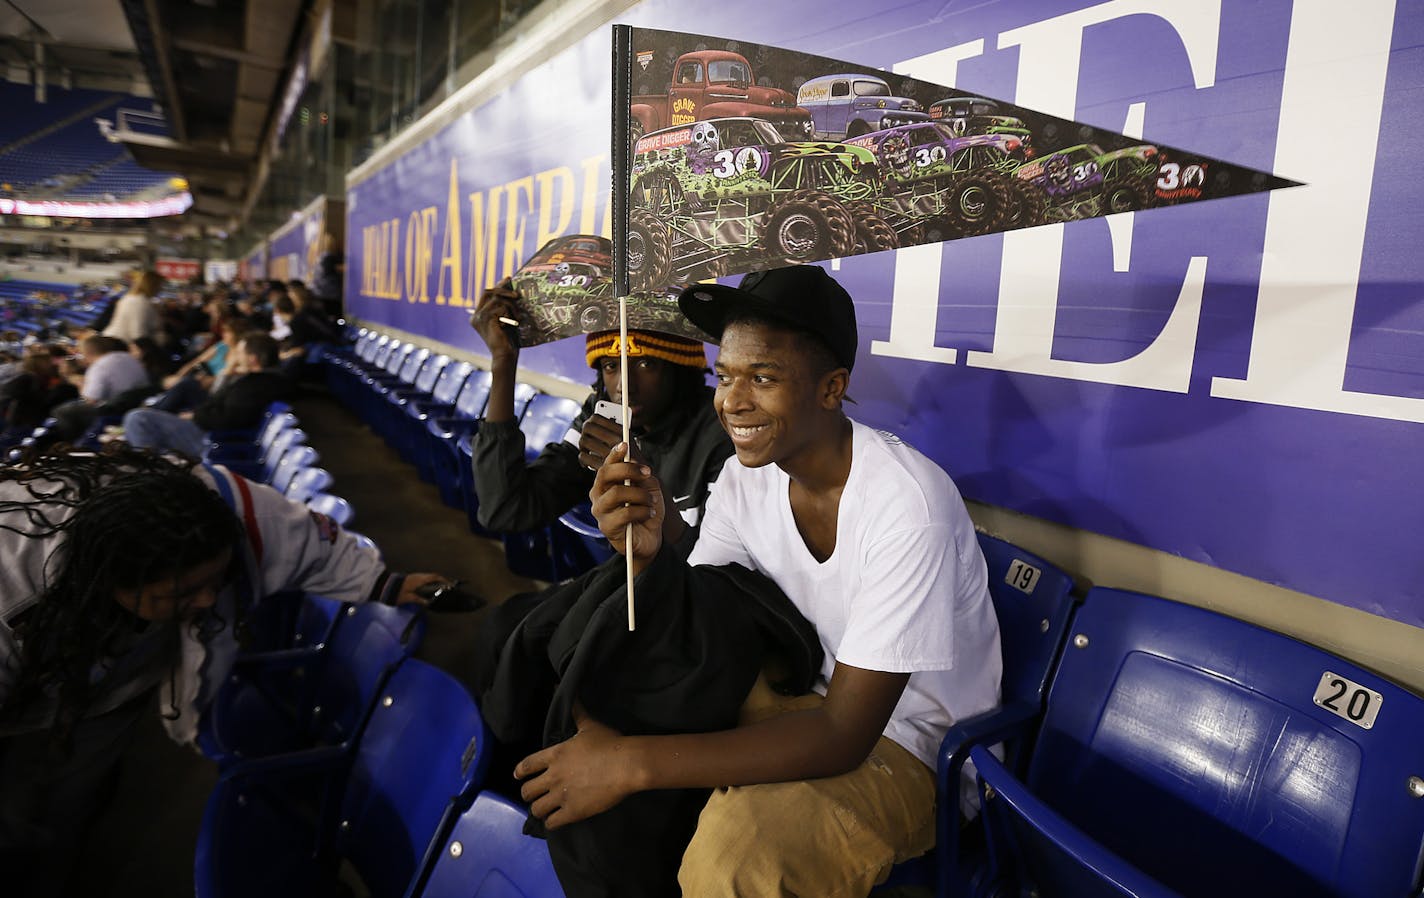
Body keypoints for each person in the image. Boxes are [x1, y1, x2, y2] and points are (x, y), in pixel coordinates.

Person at [513, 266, 1003, 896]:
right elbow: (703, 618)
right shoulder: (748, 476)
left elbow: (842, 736)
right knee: (607, 696)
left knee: (733, 863)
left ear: (831, 389)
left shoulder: (908, 505)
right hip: (795, 688)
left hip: (906, 749)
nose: (732, 402)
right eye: (726, 376)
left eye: (763, 379)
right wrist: (647, 553)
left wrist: (631, 764)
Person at [0, 443, 448, 897]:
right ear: (110, 581)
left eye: (216, 579)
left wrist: (388, 585)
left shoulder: (214, 503)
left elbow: (301, 539)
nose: (210, 601)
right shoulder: (13, 584)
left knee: (57, 811)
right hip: (24, 680)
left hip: (108, 689)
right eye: (186, 591)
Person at [468, 278, 731, 549]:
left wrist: (639, 475)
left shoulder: (722, 430)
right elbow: (508, 510)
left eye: (645, 363)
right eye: (609, 366)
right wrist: (503, 362)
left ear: (681, 368)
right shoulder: (605, 416)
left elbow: (714, 570)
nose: (624, 387)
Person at [122, 333, 294, 458]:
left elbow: (230, 418)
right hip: (213, 430)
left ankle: (151, 471)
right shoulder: (266, 380)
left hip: (212, 439)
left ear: (252, 359)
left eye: (240, 353)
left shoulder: (255, 385)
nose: (236, 357)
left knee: (137, 418)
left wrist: (196, 415)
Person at [102, 270, 163, 345]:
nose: (161, 289)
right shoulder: (140, 303)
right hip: (120, 345)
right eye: (160, 285)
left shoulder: (130, 298)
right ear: (153, 285)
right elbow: (138, 333)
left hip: (115, 341)